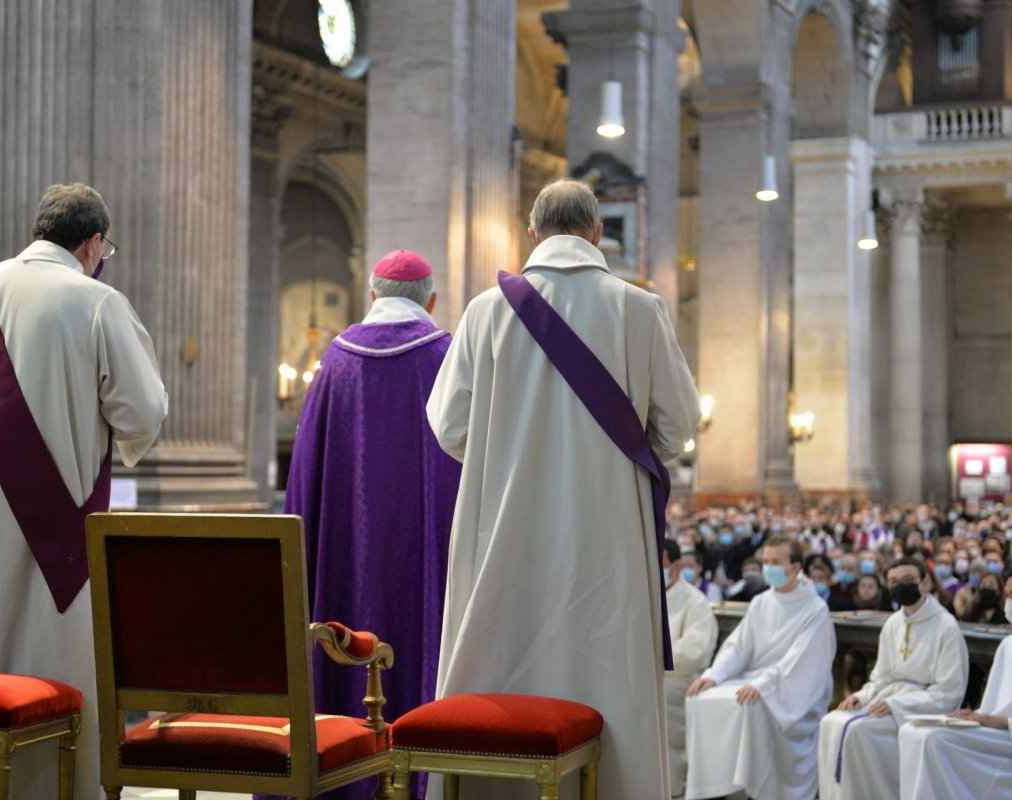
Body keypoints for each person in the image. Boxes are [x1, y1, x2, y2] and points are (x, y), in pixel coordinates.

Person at [426, 178, 700, 800]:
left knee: (500, 676)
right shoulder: (639, 309)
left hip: (504, 536)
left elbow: (449, 426)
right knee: (607, 681)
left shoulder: (484, 311)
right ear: (598, 233)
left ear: (532, 235)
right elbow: (679, 428)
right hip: (607, 545)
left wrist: (509, 455)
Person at [0, 184, 167, 799]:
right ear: (92, 243)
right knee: (45, 664)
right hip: (51, 535)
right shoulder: (96, 301)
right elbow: (142, 412)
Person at [282, 249, 461, 800]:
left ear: (373, 297)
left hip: (346, 562)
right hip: (423, 559)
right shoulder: (444, 357)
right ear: (430, 300)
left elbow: (304, 477)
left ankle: (339, 776)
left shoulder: (335, 362)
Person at [898, 563, 1012, 800]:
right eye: (1007, 595)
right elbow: (991, 707)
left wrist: (1001, 722)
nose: (1008, 602)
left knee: (933, 739)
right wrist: (976, 717)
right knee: (910, 731)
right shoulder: (1009, 644)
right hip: (997, 735)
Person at [684, 536, 836, 800]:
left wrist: (762, 686)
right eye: (766, 562)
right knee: (699, 698)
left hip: (791, 693)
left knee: (750, 704)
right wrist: (713, 675)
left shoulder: (815, 609)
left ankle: (756, 790)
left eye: (777, 562)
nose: (769, 568)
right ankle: (717, 789)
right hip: (756, 680)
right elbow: (737, 648)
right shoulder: (761, 602)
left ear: (796, 567)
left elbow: (800, 662)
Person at [818, 559, 968, 800]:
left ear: (926, 582)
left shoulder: (946, 625)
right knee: (830, 722)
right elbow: (881, 677)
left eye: (908, 581)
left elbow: (949, 692)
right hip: (887, 699)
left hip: (919, 707)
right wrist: (860, 696)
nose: (901, 586)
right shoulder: (893, 622)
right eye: (894, 582)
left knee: (858, 731)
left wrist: (897, 705)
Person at [662, 540, 718, 799]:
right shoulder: (645, 594)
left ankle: (671, 789)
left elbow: (695, 650)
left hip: (679, 679)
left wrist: (652, 659)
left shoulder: (695, 602)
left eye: (660, 565)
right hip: (646, 675)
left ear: (675, 566)